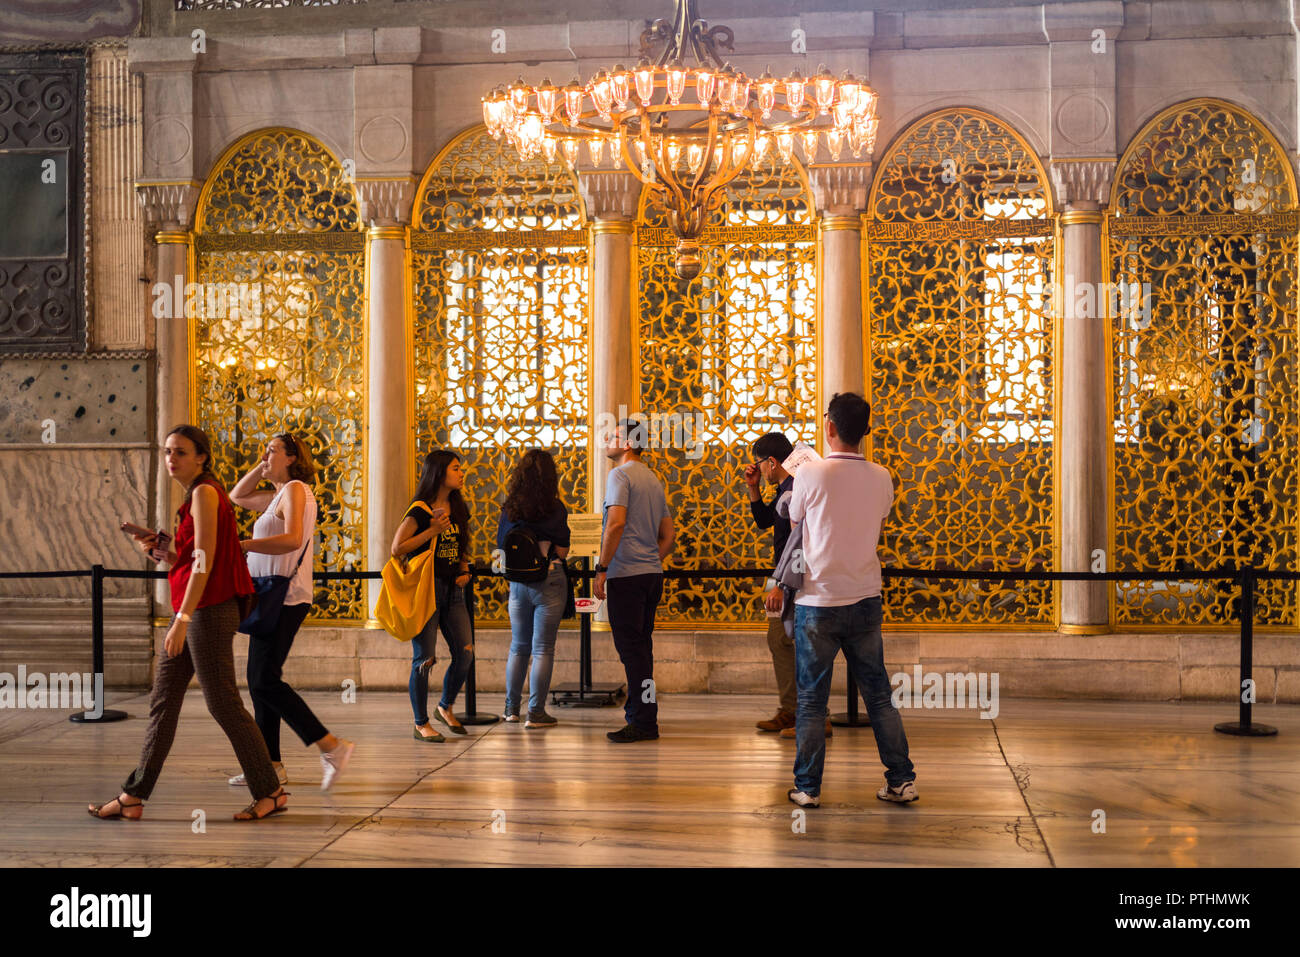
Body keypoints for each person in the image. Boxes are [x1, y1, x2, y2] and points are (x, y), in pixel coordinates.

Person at [89, 424, 288, 822]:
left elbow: (204, 559)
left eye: (180, 451)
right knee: (163, 702)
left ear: (201, 456)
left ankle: (270, 790)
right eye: (167, 451)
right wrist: (158, 545)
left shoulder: (204, 492)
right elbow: (189, 553)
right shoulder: (199, 495)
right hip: (197, 608)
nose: (171, 458)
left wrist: (181, 618)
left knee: (223, 704)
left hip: (206, 611)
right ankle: (134, 794)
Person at [777, 393, 917, 808]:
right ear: (865, 430)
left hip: (818, 600)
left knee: (811, 700)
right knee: (878, 695)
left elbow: (796, 521)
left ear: (830, 428)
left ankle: (808, 788)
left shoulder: (810, 475)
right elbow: (879, 517)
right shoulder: (882, 475)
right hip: (865, 597)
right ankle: (901, 780)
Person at [229, 433, 355, 791]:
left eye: (272, 451)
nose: (265, 456)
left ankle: (331, 746)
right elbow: (236, 496)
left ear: (292, 457)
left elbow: (292, 539)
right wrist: (264, 464)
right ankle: (270, 766)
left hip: (285, 597)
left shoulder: (297, 489)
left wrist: (246, 545)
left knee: (264, 680)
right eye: (264, 450)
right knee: (259, 683)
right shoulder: (279, 495)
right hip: (267, 597)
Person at [594, 418, 674, 742]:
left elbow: (615, 525)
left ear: (627, 443)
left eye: (613, 435)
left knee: (633, 652)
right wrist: (651, 558)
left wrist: (602, 568)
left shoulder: (620, 475)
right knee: (643, 650)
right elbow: (668, 536)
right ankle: (644, 715)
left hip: (626, 576)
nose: (607, 439)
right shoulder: (653, 480)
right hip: (651, 575)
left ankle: (643, 722)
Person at [745, 431, 829, 741]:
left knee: (798, 645)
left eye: (759, 465)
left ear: (771, 462)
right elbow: (766, 521)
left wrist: (783, 583)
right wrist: (753, 489)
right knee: (780, 641)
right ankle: (792, 709)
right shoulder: (785, 487)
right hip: (786, 576)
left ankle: (814, 715)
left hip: (796, 577)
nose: (758, 470)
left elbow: (800, 541)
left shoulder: (797, 488)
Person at [391, 450, 474, 742]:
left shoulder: (458, 506)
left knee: (465, 654)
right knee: (424, 658)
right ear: (439, 473)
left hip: (453, 590)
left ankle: (445, 706)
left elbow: (461, 541)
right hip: (426, 589)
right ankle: (420, 722)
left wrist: (464, 566)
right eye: (455, 468)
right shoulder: (420, 509)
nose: (461, 473)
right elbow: (397, 548)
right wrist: (432, 530)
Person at [496, 450, 571, 727]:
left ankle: (511, 709)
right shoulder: (556, 508)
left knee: (518, 647)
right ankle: (536, 712)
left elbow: (501, 546)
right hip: (549, 580)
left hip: (517, 584)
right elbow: (562, 551)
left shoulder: (510, 509)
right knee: (542, 649)